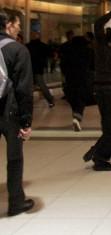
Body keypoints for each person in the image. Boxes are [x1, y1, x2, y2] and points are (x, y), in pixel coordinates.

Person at [82, 7, 111, 171]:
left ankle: (98, 149)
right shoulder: (101, 44)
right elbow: (97, 24)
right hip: (104, 88)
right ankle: (101, 159)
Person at [0, 8, 35, 216]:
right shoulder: (18, 50)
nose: (19, 29)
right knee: (14, 157)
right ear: (9, 24)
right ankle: (16, 202)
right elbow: (24, 90)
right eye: (18, 25)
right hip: (9, 113)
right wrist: (26, 122)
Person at [63, 35, 95, 131]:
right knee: (81, 100)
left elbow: (63, 67)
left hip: (70, 82)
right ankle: (76, 119)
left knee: (75, 101)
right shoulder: (89, 52)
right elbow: (93, 65)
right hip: (84, 80)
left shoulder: (68, 53)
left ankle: (76, 118)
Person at [26, 31, 54, 107]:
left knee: (35, 85)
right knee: (40, 85)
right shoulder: (42, 46)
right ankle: (50, 99)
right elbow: (50, 54)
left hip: (32, 68)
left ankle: (50, 99)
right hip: (38, 68)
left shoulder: (28, 46)